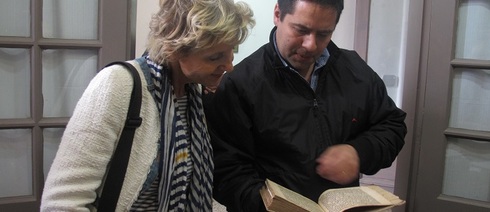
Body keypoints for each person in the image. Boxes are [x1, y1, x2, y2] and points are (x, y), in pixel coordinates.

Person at [40, 0, 254, 211]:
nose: (229, 66)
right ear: (175, 49)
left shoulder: (193, 95)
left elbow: (194, 187)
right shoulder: (118, 85)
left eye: (231, 52)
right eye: (215, 57)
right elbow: (61, 203)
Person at [203, 0, 407, 211]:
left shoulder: (354, 69)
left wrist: (359, 152)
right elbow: (226, 171)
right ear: (277, 14)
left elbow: (392, 126)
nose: (311, 45)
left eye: (323, 34)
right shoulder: (239, 84)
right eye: (301, 30)